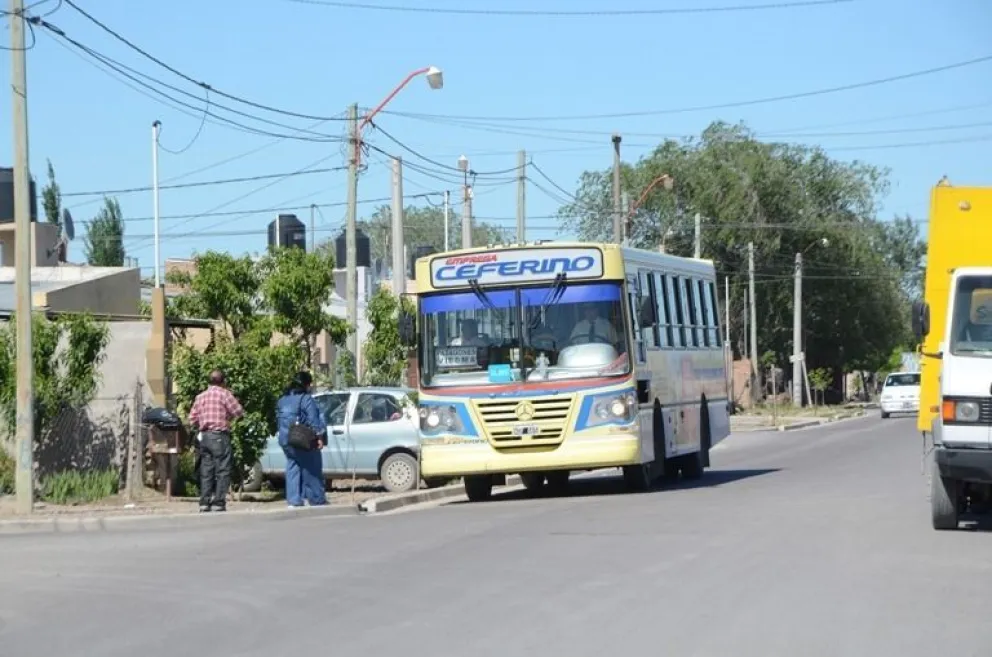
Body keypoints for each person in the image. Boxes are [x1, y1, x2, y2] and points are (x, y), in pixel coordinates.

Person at [188, 369, 244, 513]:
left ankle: (204, 502)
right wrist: (227, 417)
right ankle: (219, 502)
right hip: (219, 436)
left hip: (205, 436)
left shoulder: (200, 397)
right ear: (223, 381)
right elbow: (238, 412)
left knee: (206, 470)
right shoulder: (224, 394)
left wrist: (203, 422)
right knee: (223, 470)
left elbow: (192, 418)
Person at [276, 371, 328, 507]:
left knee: (292, 467)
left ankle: (293, 501)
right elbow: (313, 420)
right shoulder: (305, 399)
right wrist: (320, 437)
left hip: (286, 440)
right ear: (306, 384)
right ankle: (317, 499)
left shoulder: (282, 400)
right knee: (311, 468)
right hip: (302, 439)